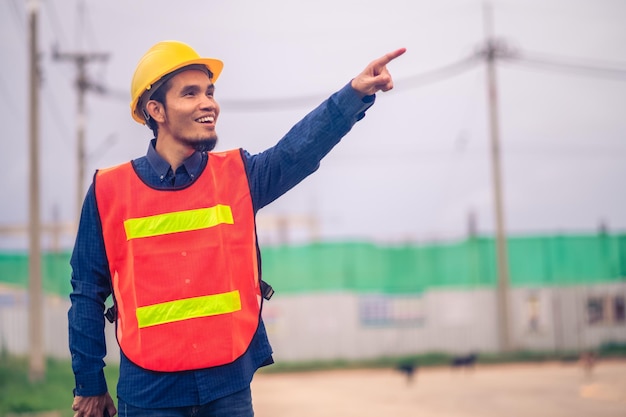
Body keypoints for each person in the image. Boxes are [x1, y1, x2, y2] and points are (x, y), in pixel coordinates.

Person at [68, 40, 405, 417]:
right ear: (156, 110)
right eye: (191, 93)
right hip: (148, 390)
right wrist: (90, 384)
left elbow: (297, 150)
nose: (208, 103)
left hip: (226, 386)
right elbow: (86, 292)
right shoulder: (108, 191)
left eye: (210, 92)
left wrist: (353, 95)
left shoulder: (239, 176)